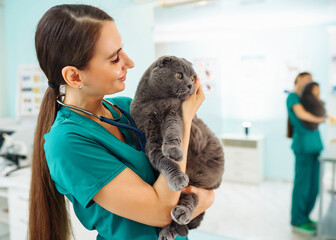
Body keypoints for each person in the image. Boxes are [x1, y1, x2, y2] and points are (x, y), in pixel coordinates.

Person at [28, 4, 214, 240]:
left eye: (122, 51)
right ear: (74, 76)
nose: (130, 62)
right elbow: (163, 212)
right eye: (115, 59)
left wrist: (200, 198)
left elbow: (202, 187)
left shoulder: (127, 107)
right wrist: (183, 118)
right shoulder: (66, 143)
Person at [286, 72, 325, 235]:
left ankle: (306, 217)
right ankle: (297, 220)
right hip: (303, 147)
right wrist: (321, 118)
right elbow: (302, 115)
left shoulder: (307, 98)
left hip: (315, 147)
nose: (310, 81)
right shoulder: (293, 97)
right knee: (303, 185)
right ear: (299, 79)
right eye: (307, 78)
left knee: (314, 186)